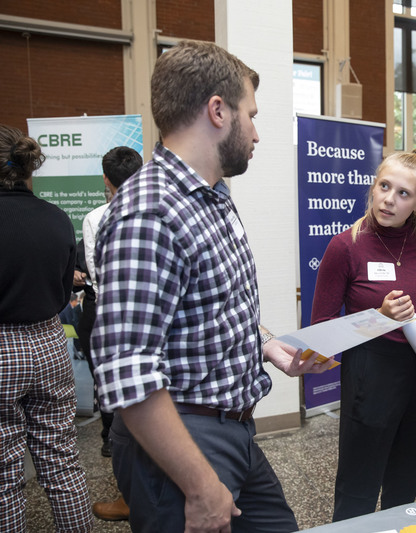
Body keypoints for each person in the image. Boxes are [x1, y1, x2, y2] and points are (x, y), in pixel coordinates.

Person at [91, 40, 333, 533]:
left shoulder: (212, 195)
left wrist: (268, 346)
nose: (258, 134)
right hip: (181, 438)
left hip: (235, 427)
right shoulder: (150, 212)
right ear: (218, 111)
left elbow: (216, 305)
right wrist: (200, 486)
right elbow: (129, 374)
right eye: (252, 115)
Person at [311, 150, 416, 521]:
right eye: (384, 186)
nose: (389, 199)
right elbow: (321, 331)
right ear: (373, 187)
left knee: (404, 485)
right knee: (357, 490)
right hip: (370, 378)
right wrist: (378, 318)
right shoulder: (345, 247)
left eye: (403, 193)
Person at [0, 124, 93, 532]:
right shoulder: (57, 219)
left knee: (4, 478)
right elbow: (61, 292)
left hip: (2, 349)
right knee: (63, 464)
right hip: (50, 343)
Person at [80, 146, 142, 522]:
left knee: (123, 417)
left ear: (106, 179)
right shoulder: (164, 208)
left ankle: (133, 498)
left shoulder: (98, 217)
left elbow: (97, 273)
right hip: (154, 320)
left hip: (114, 317)